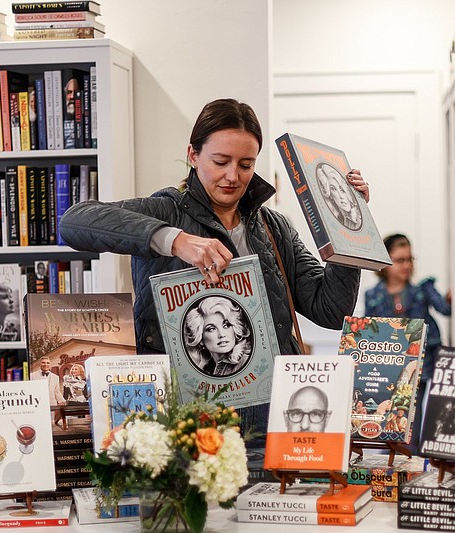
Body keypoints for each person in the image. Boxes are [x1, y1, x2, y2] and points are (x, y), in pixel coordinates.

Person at [59, 98, 368, 438]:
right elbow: (74, 221)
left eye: (246, 165)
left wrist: (346, 229)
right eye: (220, 161)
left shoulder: (273, 227)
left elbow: (331, 311)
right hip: (188, 422)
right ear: (193, 155)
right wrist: (174, 240)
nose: (233, 176)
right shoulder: (163, 212)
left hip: (270, 416)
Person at [365, 233, 451, 451]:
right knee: (388, 416)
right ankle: (388, 462)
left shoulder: (422, 290)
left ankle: (412, 462)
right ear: (385, 263)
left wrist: (454, 295)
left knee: (414, 416)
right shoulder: (373, 295)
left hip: (421, 364)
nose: (407, 265)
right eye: (400, 260)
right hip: (389, 366)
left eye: (410, 259)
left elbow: (445, 309)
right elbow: (369, 332)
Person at [184, 296, 252, 377]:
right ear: (200, 339)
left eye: (226, 325)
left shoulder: (245, 362)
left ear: (235, 329)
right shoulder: (204, 369)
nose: (221, 334)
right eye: (211, 329)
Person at [320, 163, 362, 230]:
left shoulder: (357, 220)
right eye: (334, 189)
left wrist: (361, 199)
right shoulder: (335, 220)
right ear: (330, 195)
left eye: (341, 190)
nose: (341, 196)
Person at [31, 355, 67, 424]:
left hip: (52, 404)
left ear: (50, 364)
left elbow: (57, 391)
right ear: (39, 364)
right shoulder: (32, 375)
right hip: (37, 405)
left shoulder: (55, 377)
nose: (45, 364)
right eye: (43, 362)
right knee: (39, 423)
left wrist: (62, 400)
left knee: (51, 424)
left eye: (48, 363)